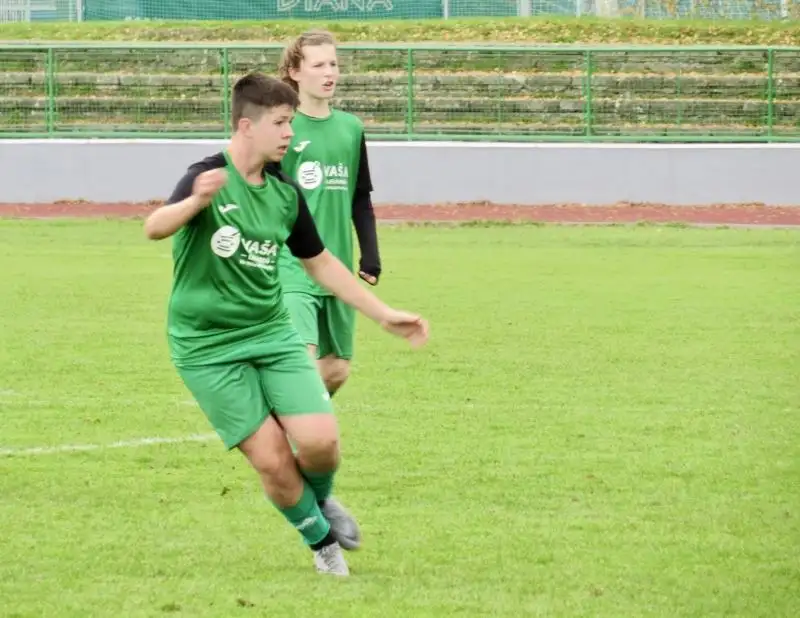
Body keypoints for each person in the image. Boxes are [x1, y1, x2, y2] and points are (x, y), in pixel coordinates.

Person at [143, 72, 429, 577]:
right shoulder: (206, 174)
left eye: (291, 123)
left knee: (321, 442)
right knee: (273, 461)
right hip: (206, 345)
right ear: (245, 125)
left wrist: (384, 314)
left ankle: (319, 502)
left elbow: (320, 263)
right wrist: (195, 202)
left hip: (270, 332)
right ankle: (322, 543)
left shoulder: (285, 193)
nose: (289, 135)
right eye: (280, 123)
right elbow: (155, 227)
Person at [276, 29, 380, 398]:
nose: (329, 72)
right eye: (318, 64)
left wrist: (370, 254)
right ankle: (293, 441)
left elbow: (360, 197)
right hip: (291, 264)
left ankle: (286, 423)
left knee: (335, 370)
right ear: (294, 71)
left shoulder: (351, 128)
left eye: (333, 63)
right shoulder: (282, 127)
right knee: (302, 360)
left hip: (336, 263)